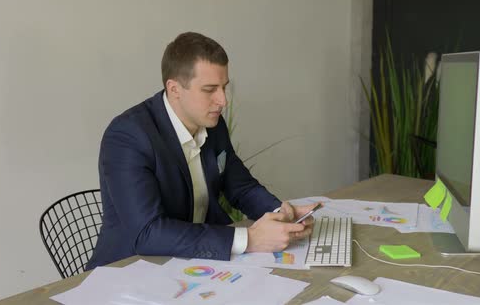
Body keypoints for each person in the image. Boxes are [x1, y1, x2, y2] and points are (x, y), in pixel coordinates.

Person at [86, 32, 317, 270]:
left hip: (193, 264)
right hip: (131, 270)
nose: (223, 101)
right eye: (210, 89)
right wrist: (250, 239)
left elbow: (241, 187)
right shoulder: (128, 136)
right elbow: (148, 233)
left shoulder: (212, 126)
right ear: (174, 88)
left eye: (224, 87)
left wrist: (281, 214)